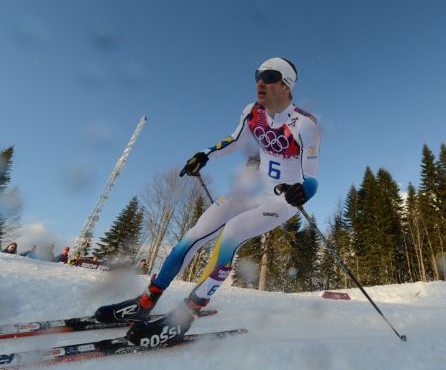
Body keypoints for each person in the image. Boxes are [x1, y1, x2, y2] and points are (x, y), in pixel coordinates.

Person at [95, 57, 320, 346]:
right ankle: (146, 301)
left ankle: (186, 315)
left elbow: (311, 176)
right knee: (194, 235)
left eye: (270, 75)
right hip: (252, 190)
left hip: (281, 201)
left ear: (287, 83)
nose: (260, 82)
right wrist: (204, 154)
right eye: (257, 75)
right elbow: (234, 140)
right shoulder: (253, 112)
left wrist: (303, 191)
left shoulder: (305, 124)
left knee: (231, 234)